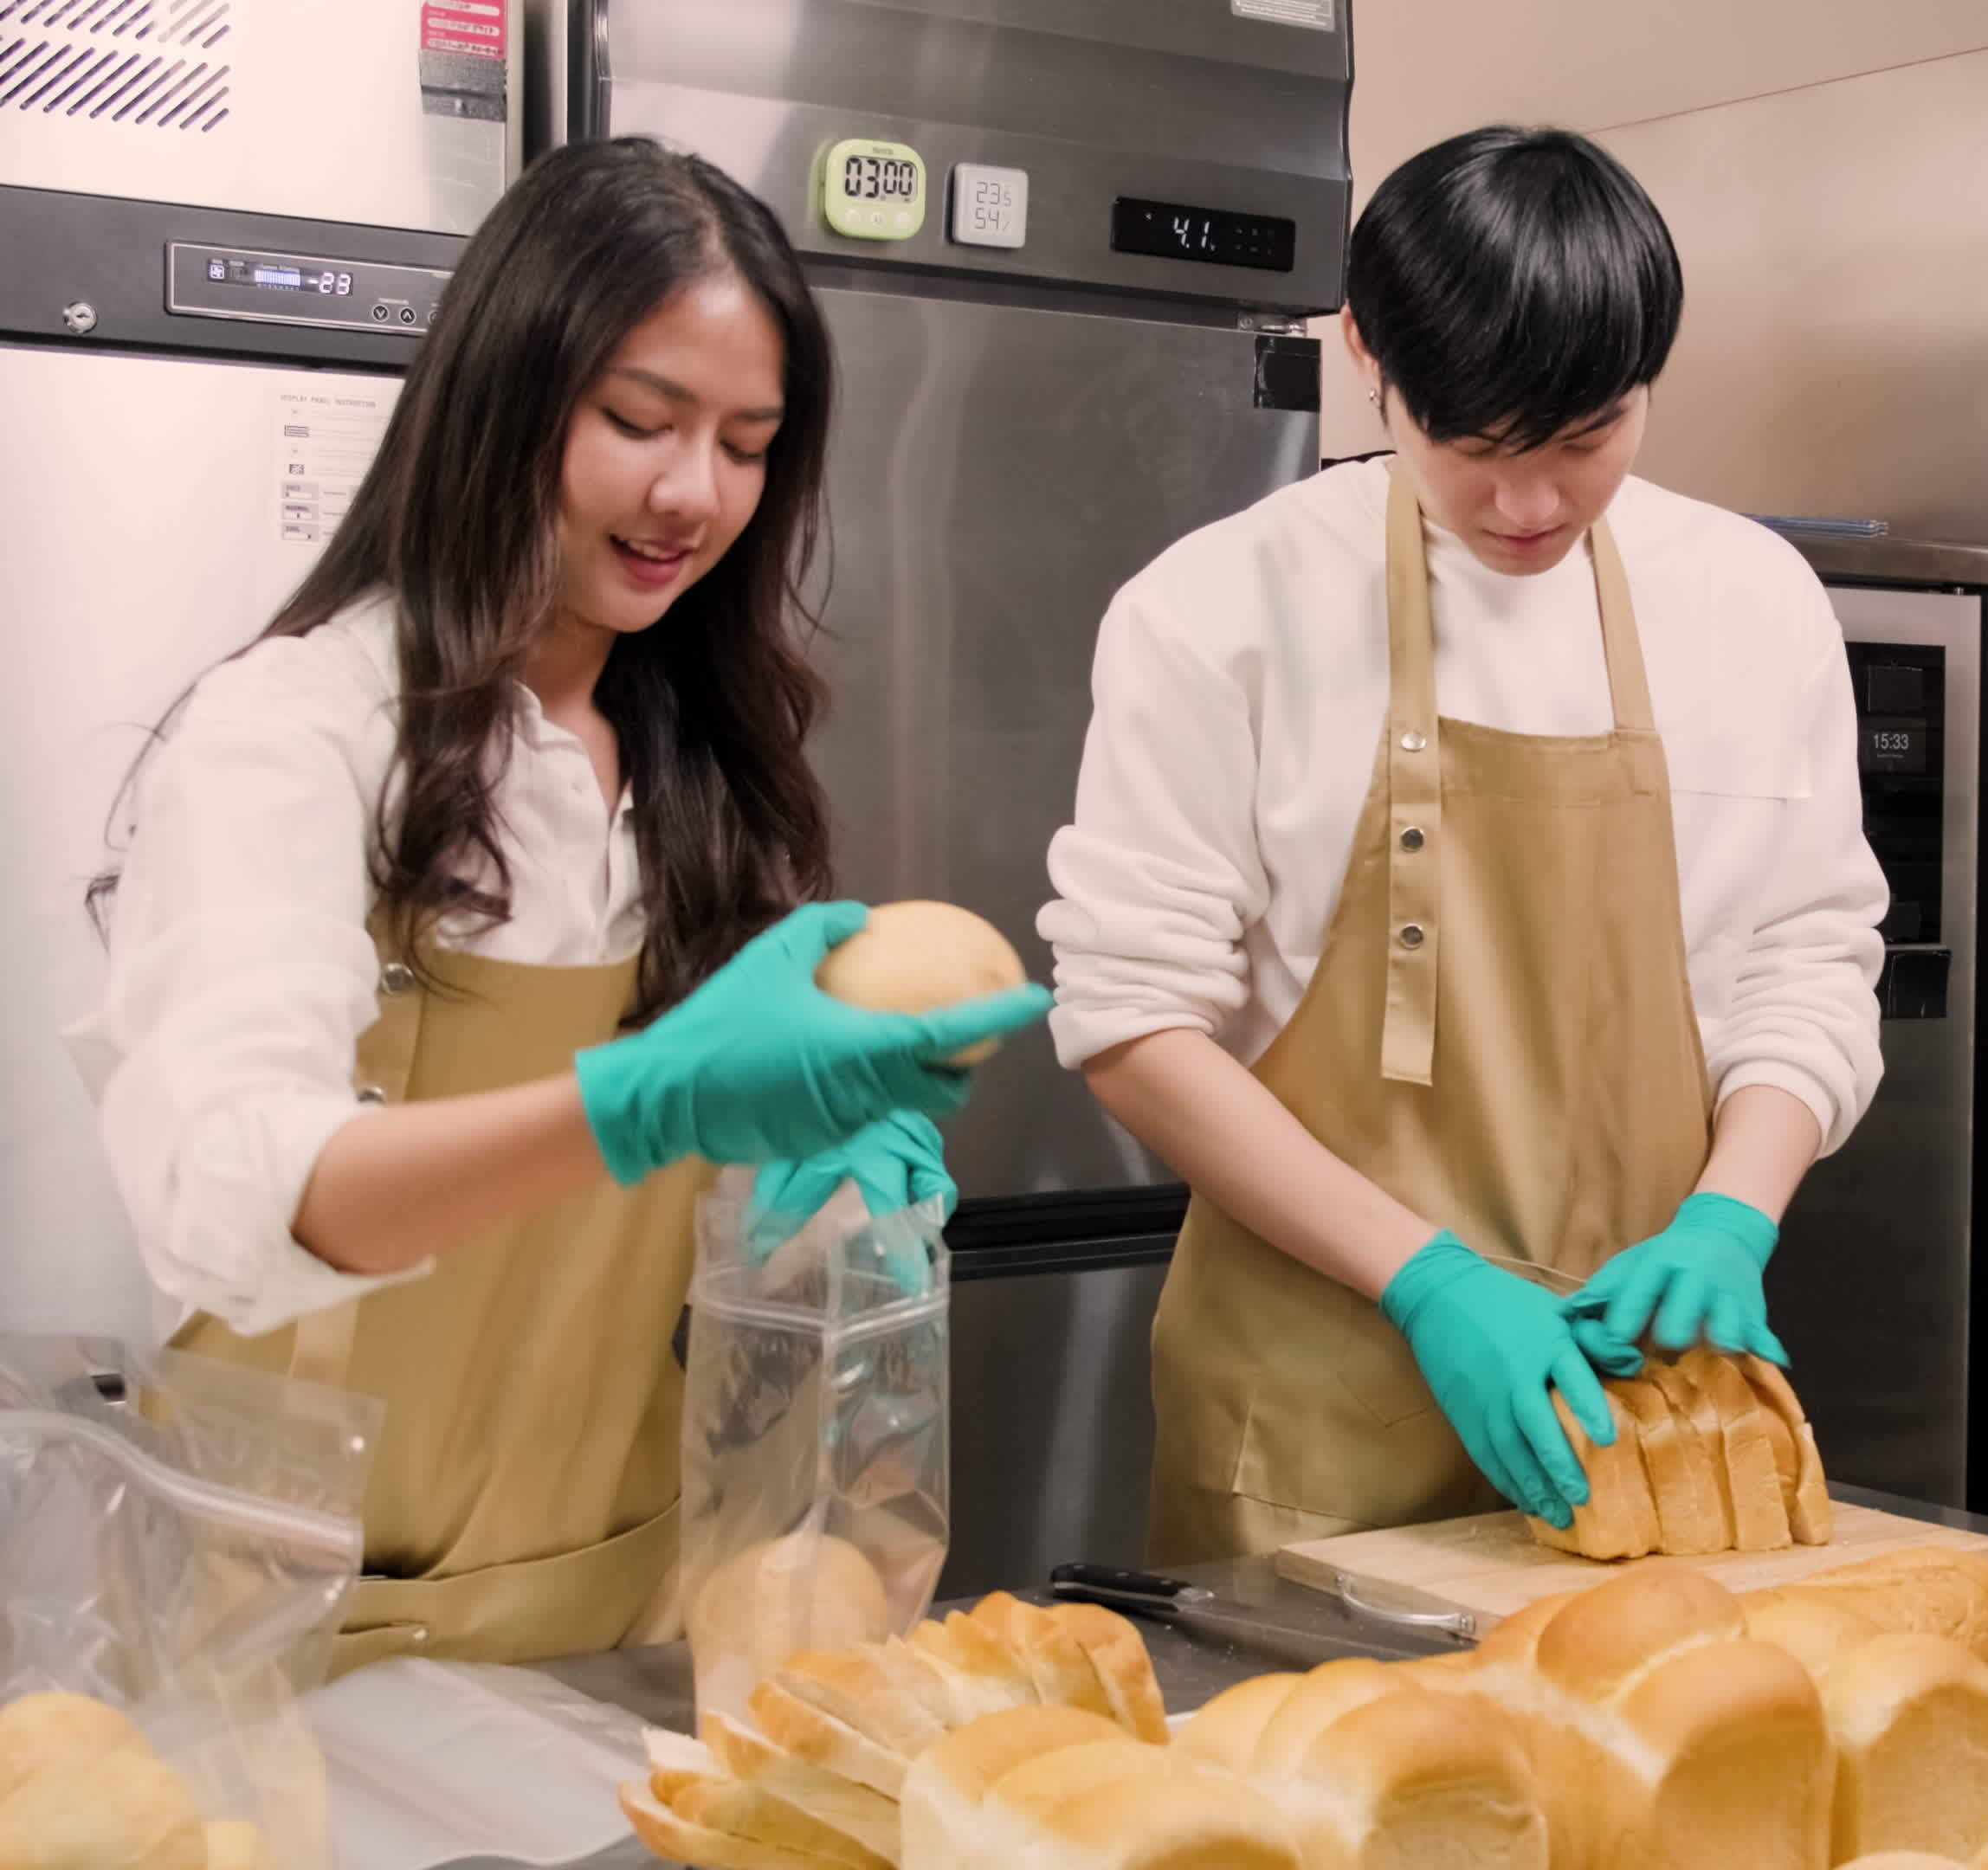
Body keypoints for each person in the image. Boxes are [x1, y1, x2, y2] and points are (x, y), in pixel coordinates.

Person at [68, 139, 1048, 1671]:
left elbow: (675, 1240)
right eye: (640, 422)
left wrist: (820, 1164)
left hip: (615, 1609)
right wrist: (644, 1100)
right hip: (295, 1636)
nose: (692, 494)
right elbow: (234, 1191)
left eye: (748, 443)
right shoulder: (299, 733)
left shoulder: (709, 765)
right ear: (508, 396)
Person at [1042, 126, 1887, 1564]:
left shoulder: (1755, 603)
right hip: (1312, 1414)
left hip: (1643, 1413)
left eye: (1588, 443)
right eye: (1474, 450)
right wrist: (1428, 1279)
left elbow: (1810, 955)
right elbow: (1133, 1023)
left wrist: (1732, 1218)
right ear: (1370, 354)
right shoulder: (1217, 611)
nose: (1530, 508)